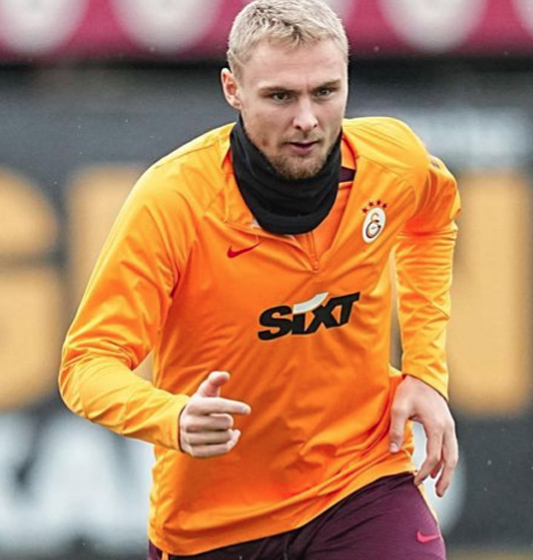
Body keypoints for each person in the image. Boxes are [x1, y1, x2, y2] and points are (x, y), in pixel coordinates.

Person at [59, 1, 461, 558]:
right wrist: (171, 417)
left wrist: (425, 371)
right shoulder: (174, 200)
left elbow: (434, 219)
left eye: (326, 92)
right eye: (280, 97)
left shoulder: (393, 161)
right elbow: (86, 364)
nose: (307, 119)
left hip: (359, 482)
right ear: (233, 89)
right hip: (214, 526)